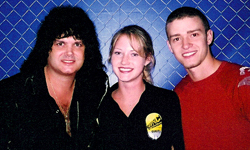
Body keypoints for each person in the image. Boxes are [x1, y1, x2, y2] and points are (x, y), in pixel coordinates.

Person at [0, 6, 108, 149]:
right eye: (60, 43)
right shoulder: (11, 94)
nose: (69, 53)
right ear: (46, 47)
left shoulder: (96, 92)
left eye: (77, 44)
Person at [165, 6, 250, 150]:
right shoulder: (177, 95)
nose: (185, 45)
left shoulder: (242, 82)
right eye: (177, 38)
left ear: (209, 37)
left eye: (194, 35)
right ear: (170, 46)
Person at [95, 25, 184, 150]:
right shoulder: (99, 105)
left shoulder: (166, 100)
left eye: (134, 54)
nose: (124, 61)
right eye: (118, 53)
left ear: (147, 58)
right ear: (111, 57)